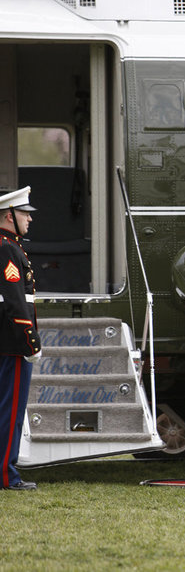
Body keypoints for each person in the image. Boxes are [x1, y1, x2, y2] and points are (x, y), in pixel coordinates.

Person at [0, 186, 41, 491]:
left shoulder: (9, 245)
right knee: (10, 412)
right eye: (24, 213)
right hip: (12, 342)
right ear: (8, 216)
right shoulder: (7, 248)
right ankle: (6, 475)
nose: (29, 219)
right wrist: (30, 340)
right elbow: (15, 301)